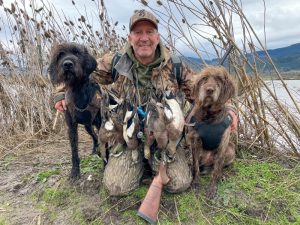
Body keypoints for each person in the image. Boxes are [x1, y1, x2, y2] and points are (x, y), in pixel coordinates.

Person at [53, 9, 238, 196]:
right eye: (138, 32)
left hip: (164, 140)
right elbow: (81, 70)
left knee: (179, 183)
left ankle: (152, 164)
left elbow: (201, 91)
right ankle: (140, 163)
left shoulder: (175, 65)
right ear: (130, 37)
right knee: (117, 187)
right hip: (127, 139)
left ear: (157, 37)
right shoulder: (115, 62)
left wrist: (229, 110)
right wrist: (60, 94)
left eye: (149, 32)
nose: (144, 38)